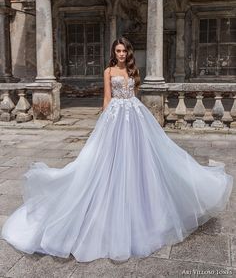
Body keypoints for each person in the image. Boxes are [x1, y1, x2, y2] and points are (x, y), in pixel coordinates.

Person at [1, 36, 233, 263]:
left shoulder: (134, 71)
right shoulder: (108, 72)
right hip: (115, 117)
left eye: (124, 51)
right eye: (118, 51)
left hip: (135, 116)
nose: (121, 54)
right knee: (105, 161)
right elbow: (107, 98)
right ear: (114, 53)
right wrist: (103, 124)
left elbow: (134, 94)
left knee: (144, 159)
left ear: (128, 53)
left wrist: (136, 111)